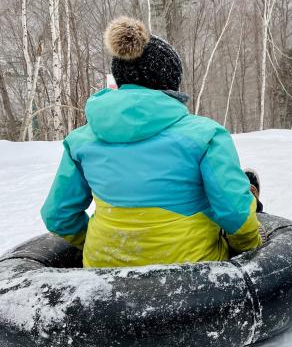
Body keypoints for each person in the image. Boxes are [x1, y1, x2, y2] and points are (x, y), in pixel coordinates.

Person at [41, 17, 262, 267]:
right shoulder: (206, 135)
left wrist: (93, 242)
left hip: (102, 276)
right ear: (170, 81)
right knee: (238, 204)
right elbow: (235, 215)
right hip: (193, 275)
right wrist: (248, 253)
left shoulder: (79, 141)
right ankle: (251, 194)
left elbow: (57, 216)